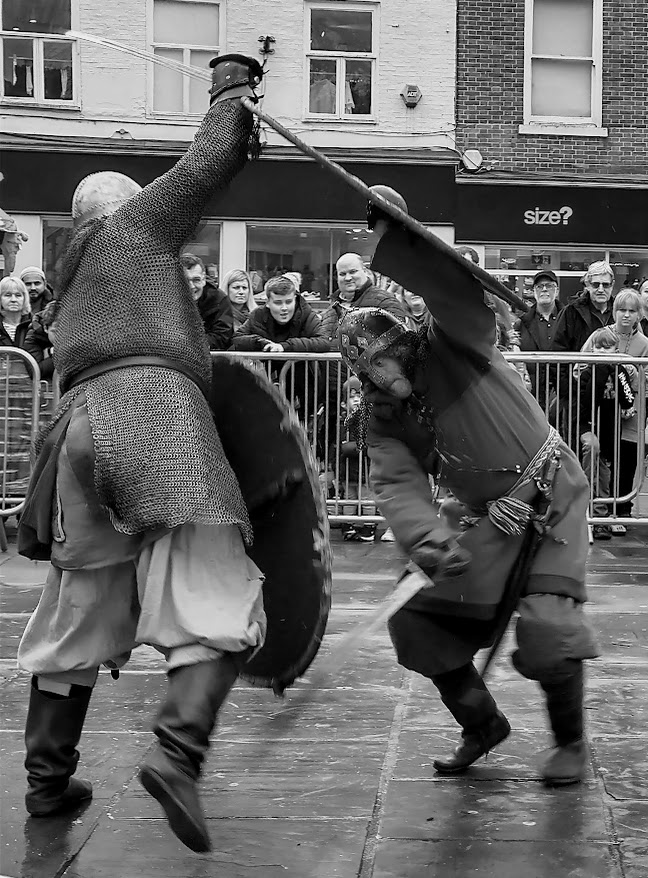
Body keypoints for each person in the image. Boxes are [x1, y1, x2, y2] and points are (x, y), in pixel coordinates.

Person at [15, 54, 270, 854]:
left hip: (78, 435)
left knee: (79, 607)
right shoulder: (135, 228)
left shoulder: (69, 281)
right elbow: (206, 163)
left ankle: (47, 782)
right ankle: (177, 752)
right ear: (127, 207)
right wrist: (232, 87)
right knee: (207, 590)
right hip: (153, 416)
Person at [337, 190, 599, 787]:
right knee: (418, 620)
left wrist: (396, 234)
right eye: (367, 369)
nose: (381, 375)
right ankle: (482, 724)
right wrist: (428, 542)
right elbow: (397, 483)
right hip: (489, 519)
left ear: (401, 345)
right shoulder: (382, 417)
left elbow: (451, 289)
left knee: (549, 630)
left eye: (384, 360)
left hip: (552, 499)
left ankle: (571, 744)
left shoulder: (456, 345)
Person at [580, 289, 648, 532]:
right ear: (614, 311)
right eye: (622, 310)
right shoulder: (600, 335)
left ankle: (621, 510)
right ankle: (598, 510)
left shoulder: (644, 343)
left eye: (632, 311)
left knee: (627, 458)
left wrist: (632, 374)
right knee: (602, 458)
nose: (626, 315)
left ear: (639, 314)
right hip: (601, 411)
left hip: (632, 408)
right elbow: (580, 363)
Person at [575, 327, 635, 541]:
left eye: (607, 348)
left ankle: (600, 517)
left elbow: (628, 399)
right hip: (588, 426)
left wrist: (616, 372)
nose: (602, 351)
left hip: (610, 429)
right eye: (599, 347)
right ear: (592, 349)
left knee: (605, 475)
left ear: (616, 350)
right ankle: (586, 511)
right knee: (592, 457)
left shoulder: (619, 371)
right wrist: (600, 370)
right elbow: (587, 403)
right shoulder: (587, 372)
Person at [319, 252, 409, 346]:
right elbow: (321, 339)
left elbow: (398, 339)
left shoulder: (385, 302)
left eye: (353, 272)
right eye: (342, 274)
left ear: (365, 271)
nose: (347, 278)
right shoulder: (333, 306)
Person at [514, 270, 563, 410]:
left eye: (549, 285)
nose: (544, 289)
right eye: (540, 286)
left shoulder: (568, 319)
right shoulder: (521, 323)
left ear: (557, 290)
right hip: (531, 394)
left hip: (562, 393)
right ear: (534, 291)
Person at [180, 253, 234, 351]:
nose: (191, 286)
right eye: (185, 281)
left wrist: (190, 345)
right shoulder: (161, 299)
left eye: (196, 280)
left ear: (204, 279)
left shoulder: (218, 299)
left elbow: (222, 337)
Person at [23, 300, 59, 383]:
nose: (60, 336)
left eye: (64, 331)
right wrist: (58, 354)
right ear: (46, 328)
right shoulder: (34, 336)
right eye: (55, 331)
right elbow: (35, 371)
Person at [0, 276, 32, 347]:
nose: (13, 300)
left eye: (18, 295)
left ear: (25, 298)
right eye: (8, 295)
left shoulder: (34, 325)